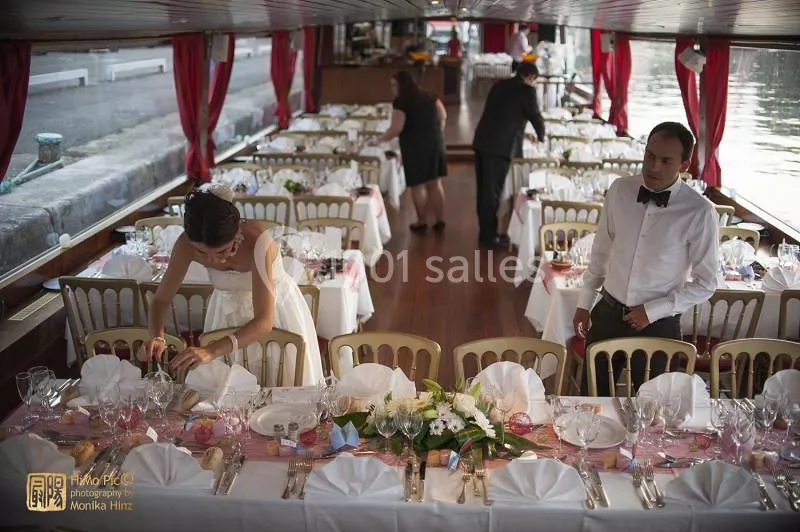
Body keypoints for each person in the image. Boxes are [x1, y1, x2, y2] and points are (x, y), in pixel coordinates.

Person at [572, 122, 719, 396]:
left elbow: (707, 283)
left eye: (665, 161)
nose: (653, 167)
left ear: (684, 165)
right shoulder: (620, 190)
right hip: (607, 314)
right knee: (590, 400)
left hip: (658, 325)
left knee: (653, 409)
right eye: (649, 156)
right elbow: (600, 252)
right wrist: (584, 302)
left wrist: (654, 310)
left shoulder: (699, 212)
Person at [136, 184, 324, 387]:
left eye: (222, 251)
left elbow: (264, 321)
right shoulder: (185, 245)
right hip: (225, 314)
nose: (214, 260)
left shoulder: (258, 242)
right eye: (202, 253)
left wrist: (211, 350)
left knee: (280, 384)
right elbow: (160, 300)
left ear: (236, 233)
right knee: (228, 391)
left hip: (275, 313)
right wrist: (157, 337)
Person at [472, 61, 545, 249]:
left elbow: (504, 115)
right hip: (499, 148)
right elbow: (535, 116)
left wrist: (523, 134)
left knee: (484, 190)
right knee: (491, 193)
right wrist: (542, 137)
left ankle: (486, 232)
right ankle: (489, 237)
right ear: (531, 77)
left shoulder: (499, 85)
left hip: (483, 141)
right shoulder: (527, 91)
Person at [375, 70, 447, 233]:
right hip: (435, 142)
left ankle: (422, 221)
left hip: (415, 145)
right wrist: (438, 133)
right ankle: (440, 220)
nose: (392, 88)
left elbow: (396, 129)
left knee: (417, 185)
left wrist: (378, 140)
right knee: (435, 183)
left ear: (402, 85)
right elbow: (443, 115)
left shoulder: (401, 101)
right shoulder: (430, 96)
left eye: (394, 85)